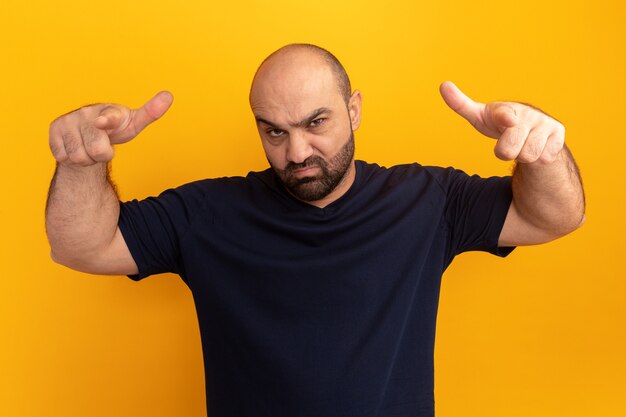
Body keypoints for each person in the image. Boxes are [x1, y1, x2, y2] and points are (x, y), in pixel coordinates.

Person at [45, 44, 585, 417]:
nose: (296, 152)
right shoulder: (207, 213)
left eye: (315, 122)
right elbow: (81, 245)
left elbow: (553, 216)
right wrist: (80, 161)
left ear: (353, 110)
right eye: (274, 131)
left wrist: (543, 149)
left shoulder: (427, 201)